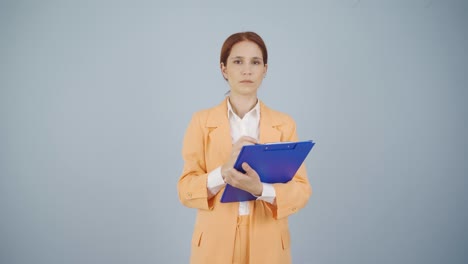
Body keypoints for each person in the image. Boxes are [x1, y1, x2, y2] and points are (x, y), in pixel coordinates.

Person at [177, 31, 312, 264]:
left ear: (265, 70)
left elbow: (301, 191)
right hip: (214, 244)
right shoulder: (201, 122)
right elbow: (185, 190)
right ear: (224, 69)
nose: (247, 70)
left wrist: (262, 190)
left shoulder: (284, 124)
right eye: (238, 61)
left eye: (255, 62)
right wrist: (222, 173)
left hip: (268, 242)